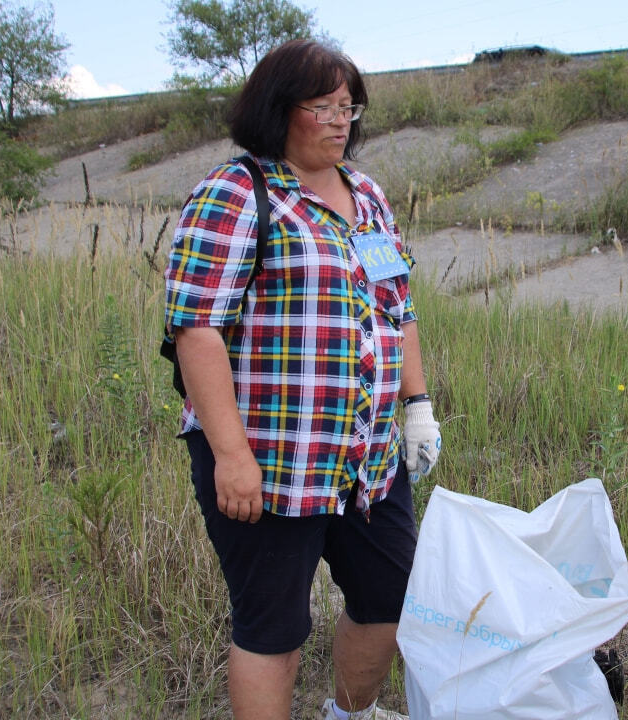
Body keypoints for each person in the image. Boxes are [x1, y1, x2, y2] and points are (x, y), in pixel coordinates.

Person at [162, 39, 440, 720]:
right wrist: (231, 457)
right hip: (269, 460)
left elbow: (397, 307)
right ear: (279, 109)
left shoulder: (367, 195)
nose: (343, 120)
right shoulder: (238, 191)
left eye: (350, 106)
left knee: (392, 597)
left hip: (366, 460)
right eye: (325, 106)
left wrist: (418, 406)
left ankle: (349, 713)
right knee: (275, 627)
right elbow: (195, 330)